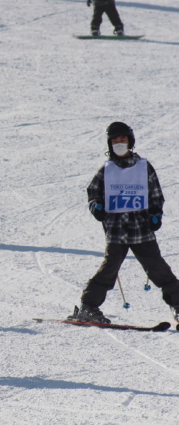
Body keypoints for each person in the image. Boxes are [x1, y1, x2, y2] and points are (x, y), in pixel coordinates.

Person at [74, 122, 179, 324]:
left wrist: (156, 214)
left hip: (141, 230)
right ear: (110, 144)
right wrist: (95, 206)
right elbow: (93, 193)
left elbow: (156, 195)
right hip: (116, 230)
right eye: (115, 140)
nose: (119, 143)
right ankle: (88, 307)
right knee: (109, 269)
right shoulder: (107, 170)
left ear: (130, 141)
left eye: (122, 139)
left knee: (158, 268)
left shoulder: (143, 167)